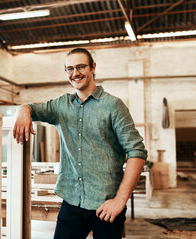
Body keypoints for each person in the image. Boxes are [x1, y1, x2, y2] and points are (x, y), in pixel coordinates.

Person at [13, 48, 147, 239]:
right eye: (69, 69)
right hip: (72, 202)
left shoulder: (113, 106)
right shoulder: (61, 106)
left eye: (80, 67)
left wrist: (120, 200)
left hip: (106, 205)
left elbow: (137, 152)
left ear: (93, 67)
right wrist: (23, 111)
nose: (75, 73)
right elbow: (31, 107)